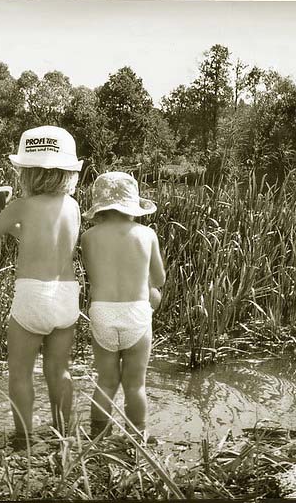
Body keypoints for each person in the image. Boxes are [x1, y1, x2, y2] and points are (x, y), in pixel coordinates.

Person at [0, 125, 82, 446]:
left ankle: (24, 438)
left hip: (32, 295)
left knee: (20, 373)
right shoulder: (73, 207)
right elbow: (44, 240)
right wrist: (15, 226)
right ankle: (61, 434)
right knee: (59, 371)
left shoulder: (22, 207)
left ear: (27, 172)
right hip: (66, 297)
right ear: (68, 170)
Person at [80, 172, 165, 440]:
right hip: (136, 314)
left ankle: (98, 435)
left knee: (105, 381)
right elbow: (160, 278)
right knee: (135, 385)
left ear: (100, 209)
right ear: (133, 206)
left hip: (103, 312)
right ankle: (137, 438)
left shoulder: (89, 237)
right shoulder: (147, 234)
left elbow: (91, 273)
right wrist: (149, 286)